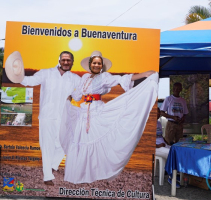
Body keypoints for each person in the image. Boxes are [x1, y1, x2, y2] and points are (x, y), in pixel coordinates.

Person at [59, 50, 158, 184]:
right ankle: (80, 174)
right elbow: (77, 94)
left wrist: (144, 74)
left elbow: (121, 79)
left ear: (102, 65)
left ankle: (96, 172)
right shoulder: (84, 78)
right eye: (94, 62)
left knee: (97, 141)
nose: (96, 65)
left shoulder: (104, 77)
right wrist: (68, 98)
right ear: (90, 64)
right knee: (82, 142)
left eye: (99, 63)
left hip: (97, 111)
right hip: (84, 112)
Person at [4, 51, 81, 186]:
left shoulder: (75, 78)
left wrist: (73, 96)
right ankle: (47, 176)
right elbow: (29, 81)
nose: (66, 62)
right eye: (64, 59)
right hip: (47, 116)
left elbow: (79, 95)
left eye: (69, 60)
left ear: (72, 62)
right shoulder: (46, 73)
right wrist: (17, 73)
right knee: (47, 146)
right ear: (59, 60)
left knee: (65, 143)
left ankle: (52, 164)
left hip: (64, 116)